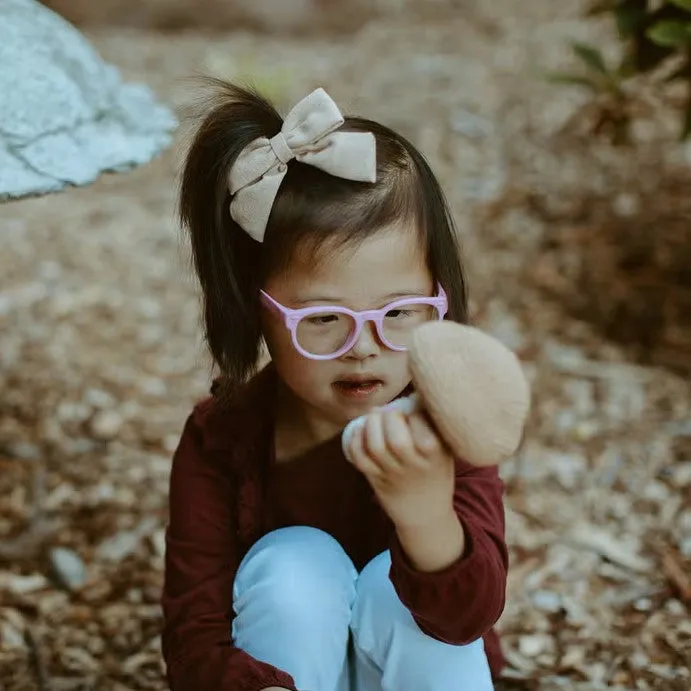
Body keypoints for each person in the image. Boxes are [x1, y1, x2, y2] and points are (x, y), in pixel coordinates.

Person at [161, 81, 508, 691]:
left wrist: (428, 519)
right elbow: (195, 634)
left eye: (399, 313)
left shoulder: (452, 421)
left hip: (416, 667)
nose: (364, 346)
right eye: (323, 319)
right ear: (256, 311)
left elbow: (469, 619)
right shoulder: (222, 441)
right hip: (284, 670)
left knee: (390, 585)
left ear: (440, 302)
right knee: (294, 561)